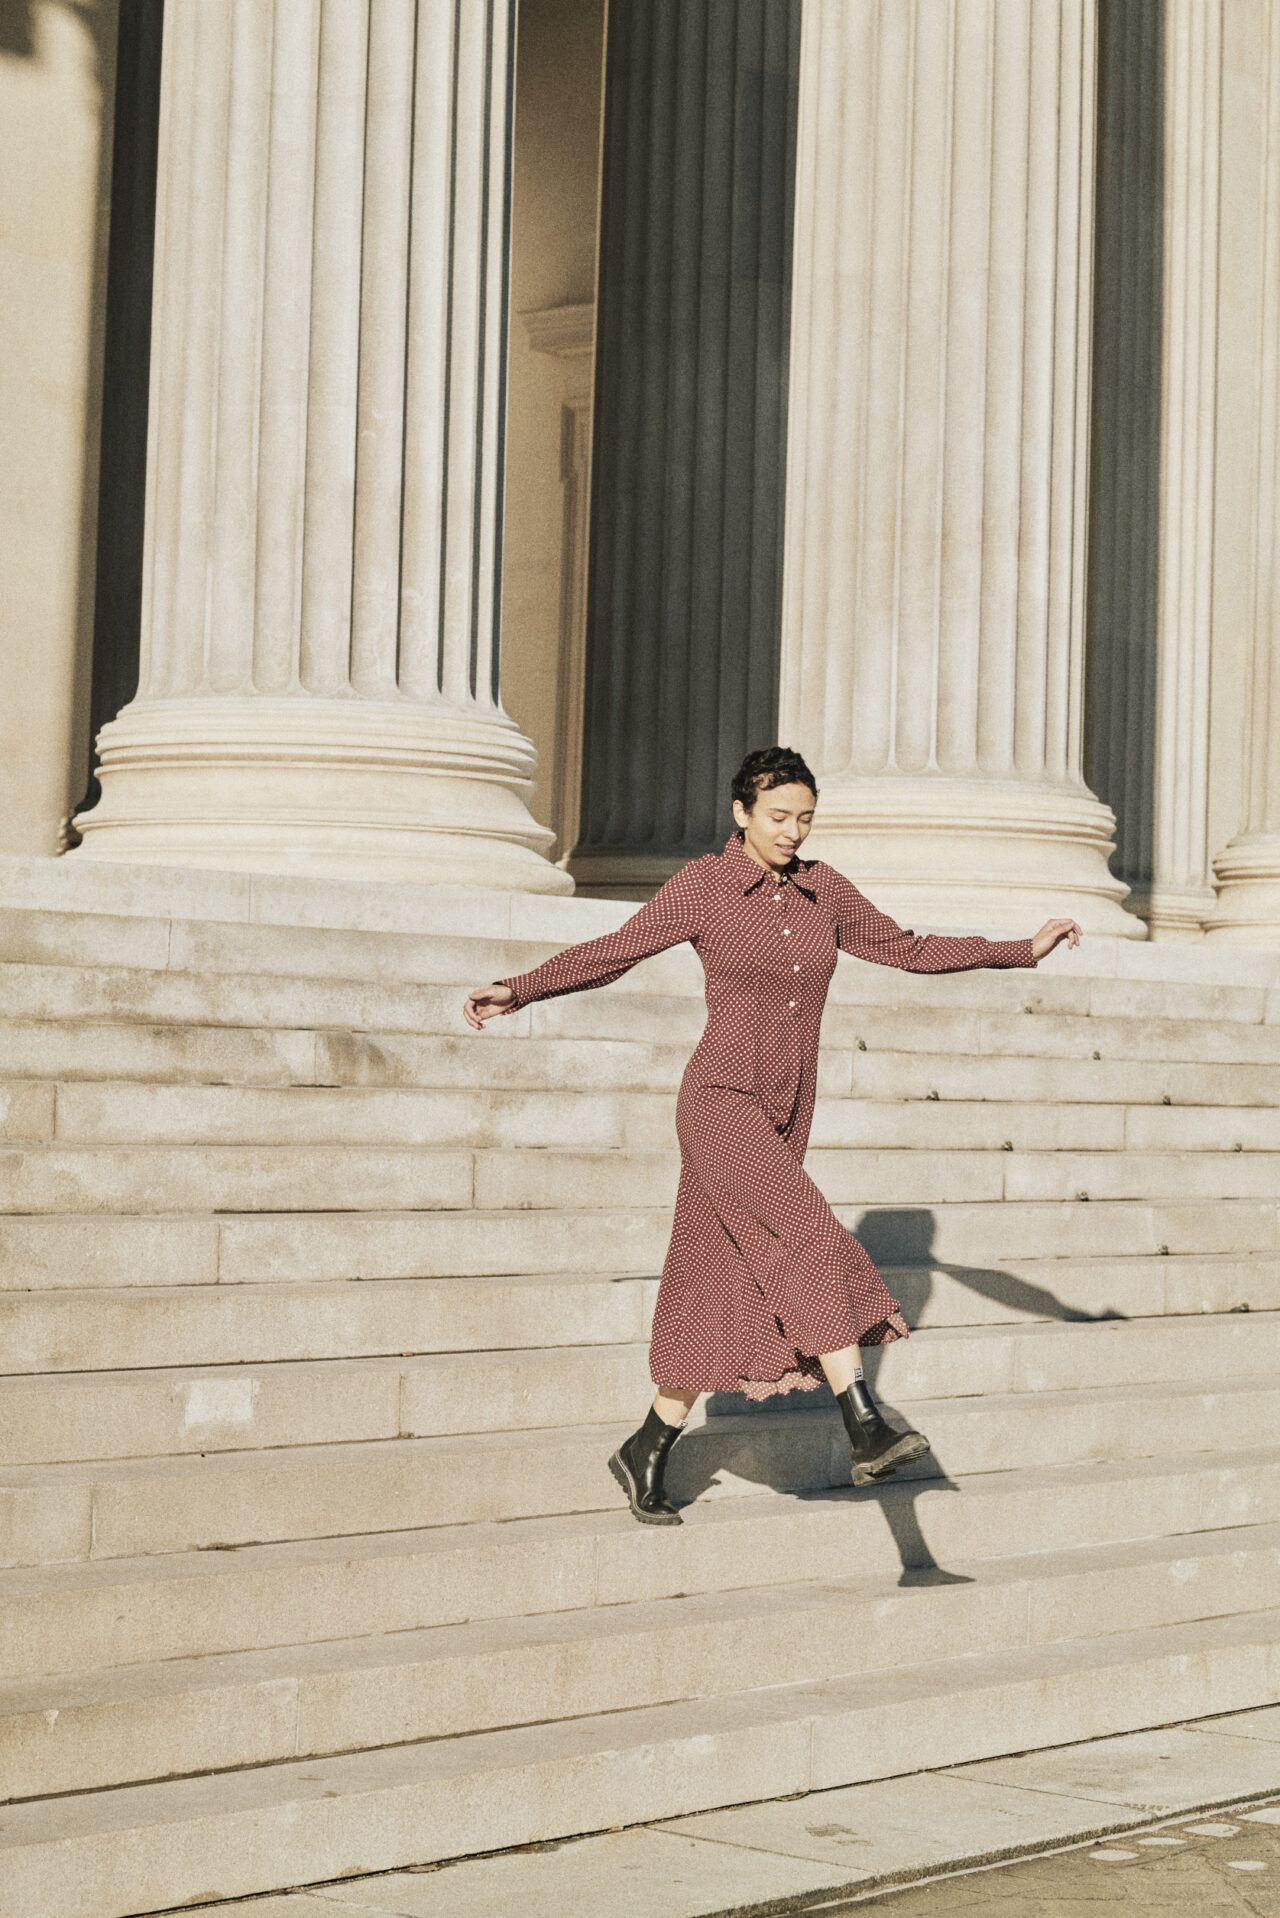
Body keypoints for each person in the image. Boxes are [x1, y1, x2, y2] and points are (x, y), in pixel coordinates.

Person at [463, 747, 1081, 1526]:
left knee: (712, 1276)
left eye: (806, 819)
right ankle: (864, 1419)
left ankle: (649, 1442)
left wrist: (1018, 950)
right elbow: (615, 950)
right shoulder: (706, 886)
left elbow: (910, 950)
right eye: (780, 817)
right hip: (720, 1101)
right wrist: (521, 988)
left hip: (786, 1112)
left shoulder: (825, 891)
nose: (793, 832)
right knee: (814, 1238)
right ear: (742, 814)